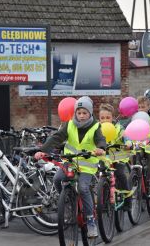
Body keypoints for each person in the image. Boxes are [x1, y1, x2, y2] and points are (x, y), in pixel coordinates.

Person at [34, 96, 106, 237]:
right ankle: (67, 203)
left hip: (87, 165)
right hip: (71, 162)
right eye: (79, 113)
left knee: (84, 188)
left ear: (90, 113)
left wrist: (101, 148)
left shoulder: (96, 126)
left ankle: (91, 221)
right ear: (75, 113)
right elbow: (57, 137)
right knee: (56, 179)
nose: (81, 116)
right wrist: (43, 150)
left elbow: (100, 140)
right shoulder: (70, 124)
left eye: (84, 113)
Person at [98, 103, 131, 210]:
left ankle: (127, 200)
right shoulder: (97, 129)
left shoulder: (118, 127)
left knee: (120, 174)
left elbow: (126, 137)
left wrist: (128, 144)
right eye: (102, 118)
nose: (105, 120)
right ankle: (103, 199)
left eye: (108, 117)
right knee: (101, 174)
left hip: (119, 155)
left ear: (112, 117)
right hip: (104, 156)